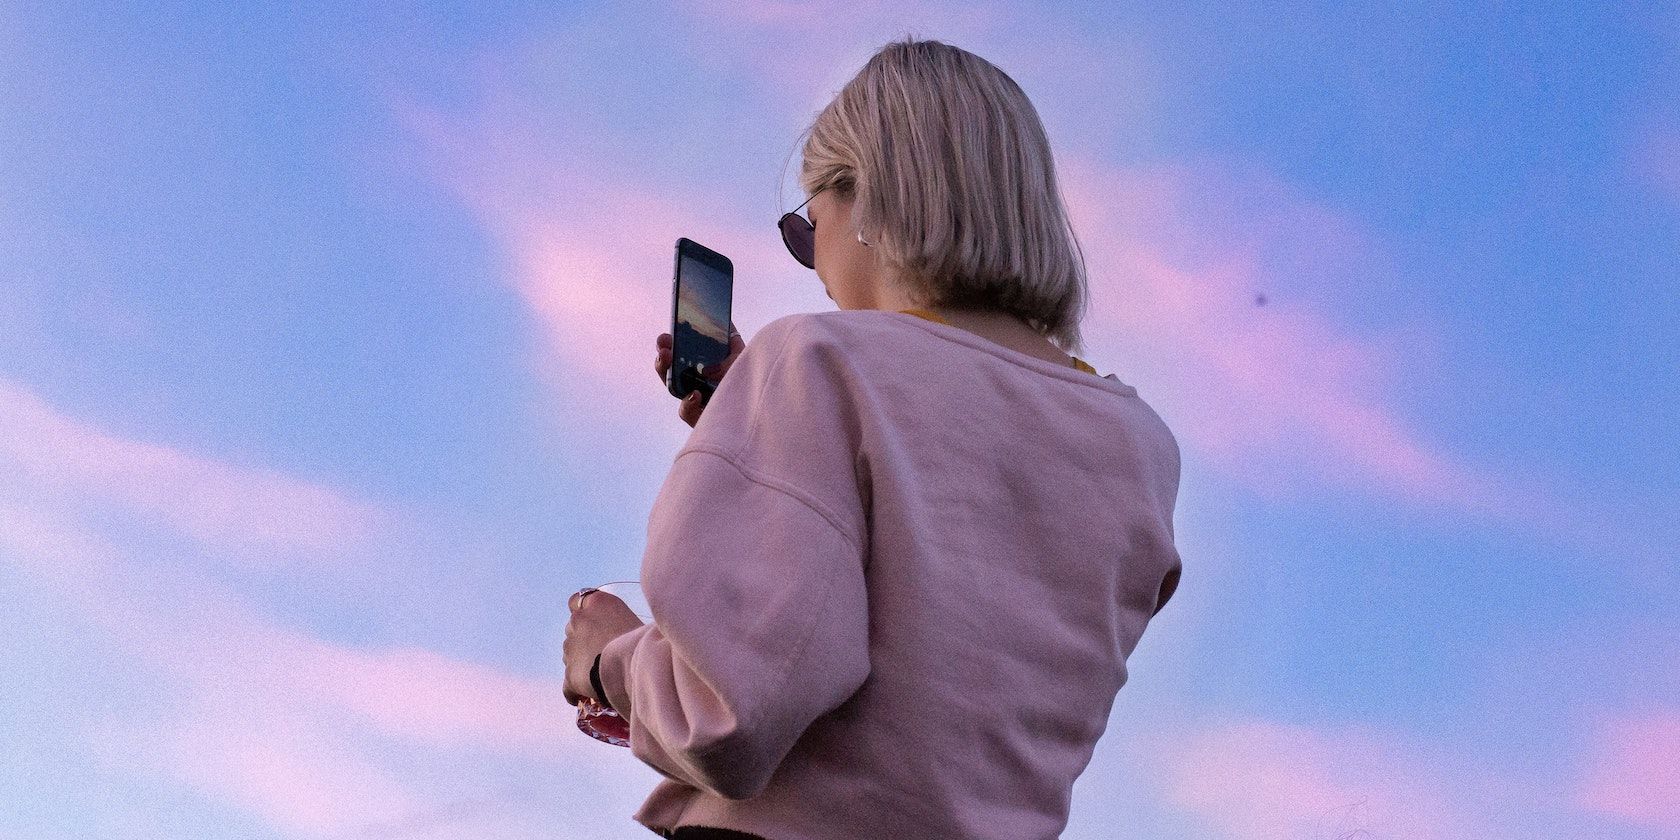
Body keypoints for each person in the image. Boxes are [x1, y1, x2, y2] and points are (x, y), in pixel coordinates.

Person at [563, 36, 1183, 840]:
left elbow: (729, 715)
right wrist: (771, 420)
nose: (813, 264)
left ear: (867, 200)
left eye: (806, 227)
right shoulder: (1138, 444)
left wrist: (608, 659)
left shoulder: (817, 363)